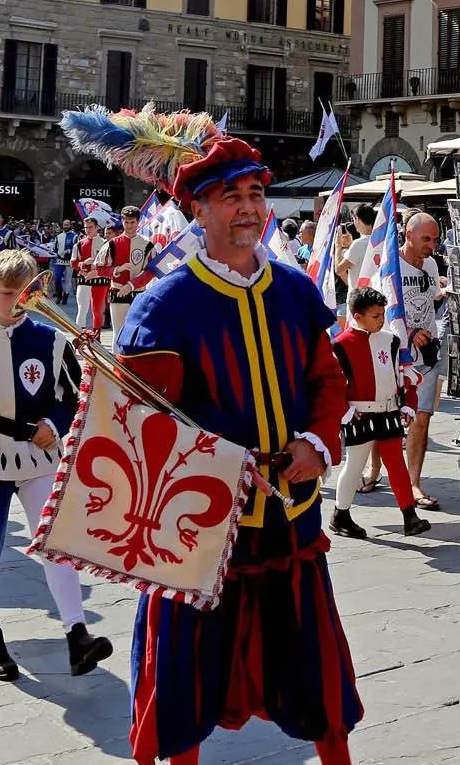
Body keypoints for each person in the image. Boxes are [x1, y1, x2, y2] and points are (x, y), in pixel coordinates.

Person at [78, 113, 359, 765]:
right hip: (199, 528)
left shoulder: (293, 288)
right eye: (231, 196)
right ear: (196, 209)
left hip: (291, 517)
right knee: (182, 678)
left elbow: (328, 379)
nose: (248, 208)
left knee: (317, 671)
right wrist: (208, 462)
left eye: (256, 194)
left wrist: (317, 445)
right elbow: (142, 427)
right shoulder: (164, 304)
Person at [0, 249, 110, 680]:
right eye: (9, 293)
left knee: (54, 540)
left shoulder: (53, 341)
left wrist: (54, 422)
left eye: (27, 292)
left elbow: (72, 396)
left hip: (41, 458)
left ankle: (77, 633)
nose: (18, 301)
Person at [327, 286, 429, 539]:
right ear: (357, 316)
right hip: (358, 415)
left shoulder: (391, 341)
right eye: (375, 316)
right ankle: (341, 515)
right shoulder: (339, 345)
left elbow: (404, 376)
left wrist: (408, 404)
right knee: (355, 465)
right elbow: (332, 384)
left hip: (389, 411)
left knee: (396, 463)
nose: (381, 320)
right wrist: (344, 412)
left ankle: (409, 516)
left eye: (382, 314)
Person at [397, 212, 448, 511]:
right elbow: (383, 310)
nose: (432, 244)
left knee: (422, 418)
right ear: (408, 234)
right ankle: (375, 470)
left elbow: (430, 297)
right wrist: (409, 331)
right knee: (388, 420)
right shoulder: (391, 265)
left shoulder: (430, 264)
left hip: (427, 354)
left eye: (436, 239)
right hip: (397, 355)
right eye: (426, 238)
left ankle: (413, 482)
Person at [73, 216, 111, 333]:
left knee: (98, 309)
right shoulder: (79, 244)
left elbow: (110, 263)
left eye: (90, 227)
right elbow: (73, 262)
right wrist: (83, 263)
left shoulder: (106, 244)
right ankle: (80, 335)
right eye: (86, 227)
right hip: (83, 278)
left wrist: (99, 268)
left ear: (97, 228)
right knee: (82, 308)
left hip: (100, 280)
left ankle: (97, 336)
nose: (88, 230)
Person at [108, 205, 142, 329]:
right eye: (126, 222)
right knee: (118, 333)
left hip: (140, 293)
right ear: (122, 221)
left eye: (132, 222)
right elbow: (100, 269)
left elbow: (151, 271)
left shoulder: (147, 244)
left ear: (138, 222)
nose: (129, 226)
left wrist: (132, 285)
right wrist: (117, 269)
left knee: (137, 333)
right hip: (118, 291)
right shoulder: (111, 244)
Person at [50, 220, 78, 301]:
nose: (66, 226)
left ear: (70, 225)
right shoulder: (58, 236)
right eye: (64, 224)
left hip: (69, 261)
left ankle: (65, 296)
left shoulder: (75, 236)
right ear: (62, 225)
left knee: (68, 279)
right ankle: (59, 295)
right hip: (59, 260)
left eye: (67, 224)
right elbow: (55, 249)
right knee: (57, 278)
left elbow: (76, 249)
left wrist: (69, 252)